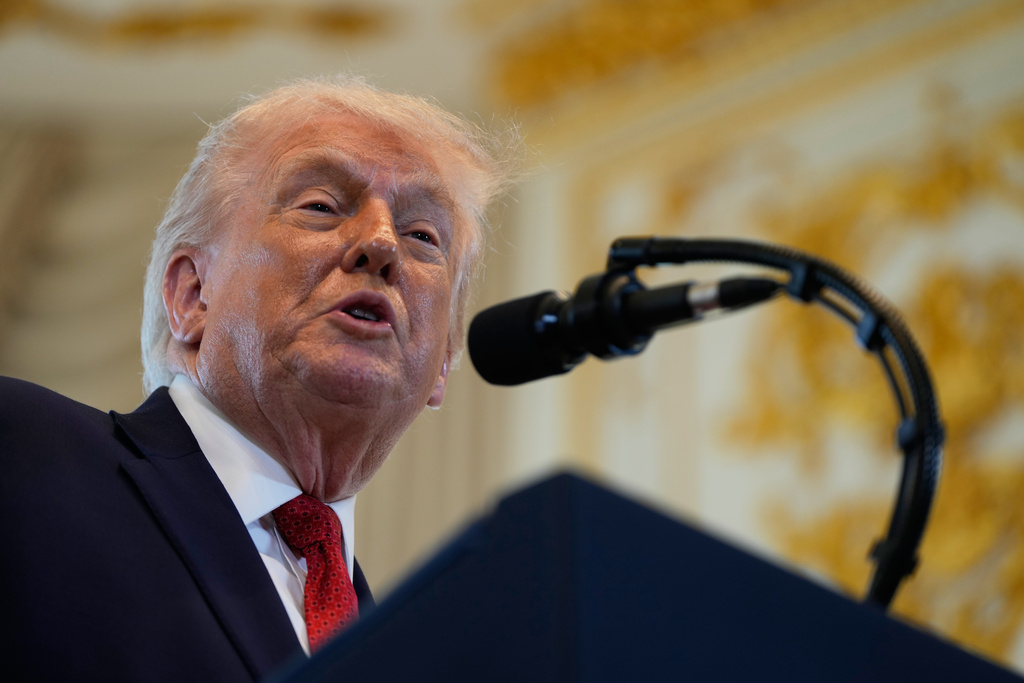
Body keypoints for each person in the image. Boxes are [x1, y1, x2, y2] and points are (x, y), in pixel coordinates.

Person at [0, 76, 513, 682]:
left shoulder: (406, 652)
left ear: (444, 363)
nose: (381, 244)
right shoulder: (23, 456)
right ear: (192, 295)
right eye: (321, 205)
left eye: (423, 236)